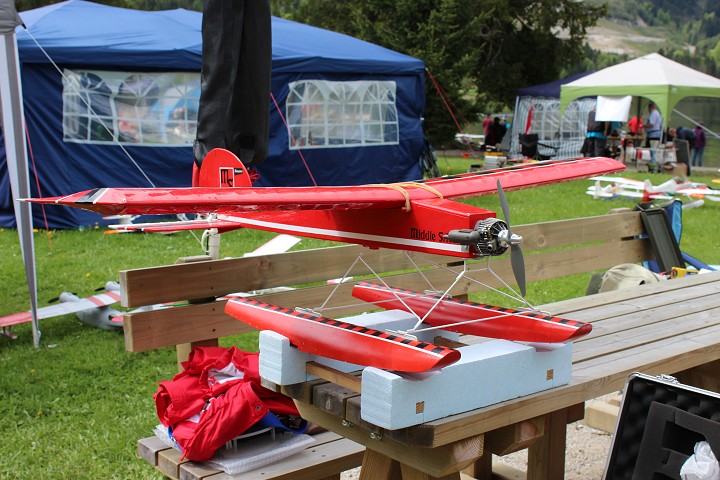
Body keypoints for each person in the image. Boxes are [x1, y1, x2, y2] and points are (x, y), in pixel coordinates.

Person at [193, 0, 272, 174]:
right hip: (215, 155)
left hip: (247, 146)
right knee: (221, 59)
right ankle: (213, 149)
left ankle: (245, 145)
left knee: (252, 57)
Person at [644, 102, 663, 167]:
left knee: (653, 149)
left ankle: (653, 162)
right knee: (652, 149)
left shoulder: (654, 113)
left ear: (650, 107)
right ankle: (652, 161)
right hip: (654, 133)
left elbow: (651, 124)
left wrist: (644, 126)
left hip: (654, 134)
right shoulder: (657, 113)